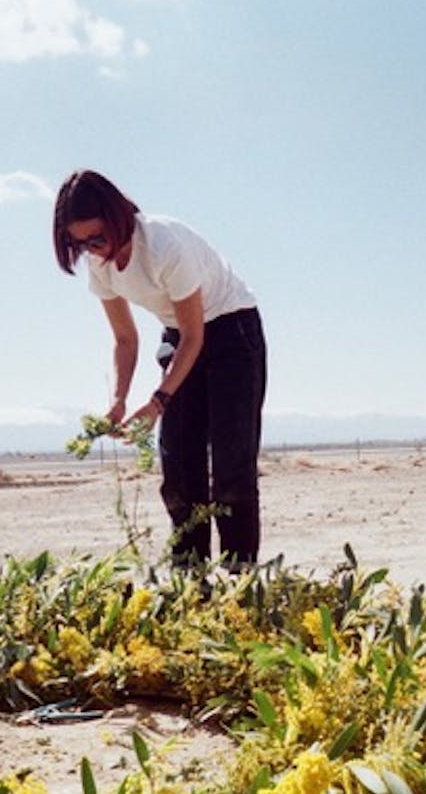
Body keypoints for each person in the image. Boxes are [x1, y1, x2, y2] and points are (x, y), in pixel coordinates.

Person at [53, 169, 267, 570]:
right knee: (180, 467)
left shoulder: (164, 245)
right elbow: (125, 339)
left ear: (117, 217)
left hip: (230, 330)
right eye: (78, 244)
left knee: (230, 464)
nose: (92, 251)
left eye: (96, 238)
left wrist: (157, 402)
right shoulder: (100, 268)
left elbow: (195, 335)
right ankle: (191, 578)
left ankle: (241, 580)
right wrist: (118, 400)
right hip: (180, 335)